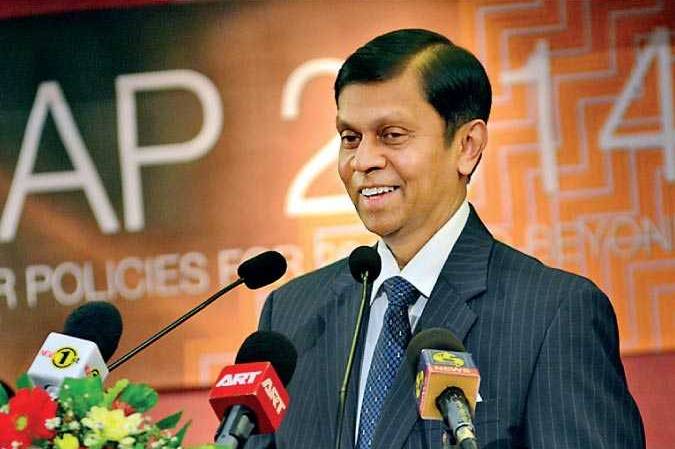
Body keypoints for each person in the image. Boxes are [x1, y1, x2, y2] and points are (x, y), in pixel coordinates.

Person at [247, 29, 645, 449]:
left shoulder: (552, 314)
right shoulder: (291, 315)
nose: (362, 161)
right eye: (351, 138)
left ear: (467, 146)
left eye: (392, 135)